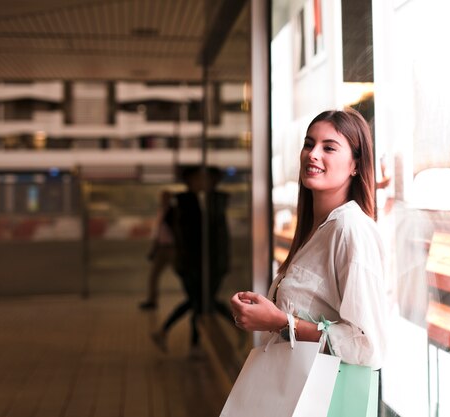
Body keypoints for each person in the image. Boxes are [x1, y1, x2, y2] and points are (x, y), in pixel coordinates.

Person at [230, 108, 388, 371]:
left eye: (329, 148)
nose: (313, 154)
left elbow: (368, 346)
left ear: (355, 165)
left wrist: (281, 322)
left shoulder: (350, 228)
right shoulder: (315, 228)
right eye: (309, 144)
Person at [151, 166, 232, 353]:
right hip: (190, 264)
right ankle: (195, 341)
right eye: (197, 179)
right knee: (200, 302)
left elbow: (222, 236)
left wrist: (223, 261)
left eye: (206, 179)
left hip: (213, 264)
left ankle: (176, 337)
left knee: (200, 302)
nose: (202, 183)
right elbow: (178, 234)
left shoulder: (218, 202)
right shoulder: (182, 204)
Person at [138, 190, 176, 310]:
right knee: (153, 275)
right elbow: (159, 232)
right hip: (162, 247)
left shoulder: (173, 212)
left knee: (182, 273)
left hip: (172, 248)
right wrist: (155, 248)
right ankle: (152, 300)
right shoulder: (162, 211)